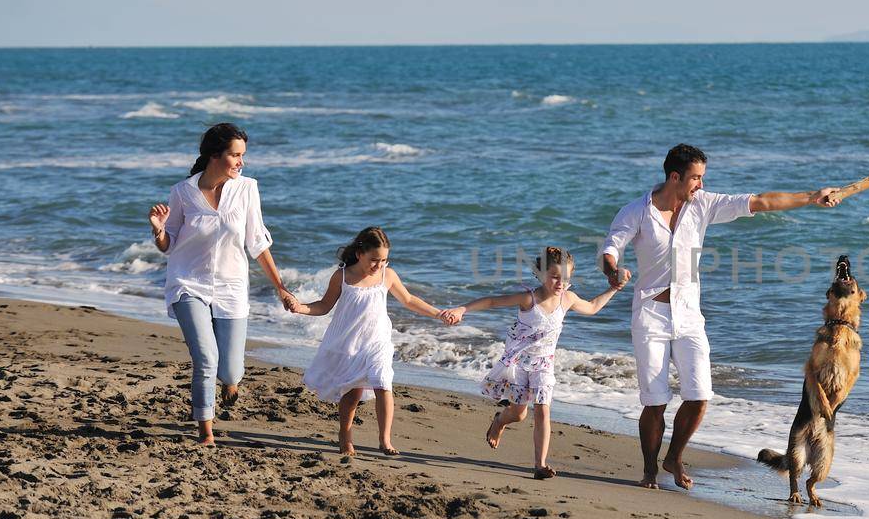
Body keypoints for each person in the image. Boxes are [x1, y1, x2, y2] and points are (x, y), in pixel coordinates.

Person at [601, 144, 842, 490]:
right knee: (654, 401)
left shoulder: (703, 204)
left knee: (699, 395)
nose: (700, 184)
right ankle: (650, 471)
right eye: (696, 178)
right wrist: (612, 271)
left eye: (702, 178)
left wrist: (811, 197)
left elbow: (761, 201)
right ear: (674, 176)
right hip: (651, 313)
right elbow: (612, 246)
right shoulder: (636, 211)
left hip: (689, 314)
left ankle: (674, 456)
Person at [149, 122, 299, 446]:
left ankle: (230, 383)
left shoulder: (247, 189)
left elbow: (257, 244)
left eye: (243, 155)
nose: (241, 162)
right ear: (215, 155)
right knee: (206, 358)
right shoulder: (183, 192)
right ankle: (206, 431)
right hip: (188, 283)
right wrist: (159, 231)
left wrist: (281, 287)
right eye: (235, 155)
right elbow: (169, 245)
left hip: (232, 288)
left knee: (230, 371)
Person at [442, 247, 622, 480]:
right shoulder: (529, 298)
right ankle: (499, 421)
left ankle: (540, 464)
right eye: (555, 276)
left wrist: (613, 288)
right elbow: (492, 302)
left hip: (544, 365)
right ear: (540, 274)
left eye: (566, 278)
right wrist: (462, 309)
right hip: (518, 364)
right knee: (518, 415)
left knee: (543, 412)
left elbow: (593, 307)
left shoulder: (567, 299)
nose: (560, 282)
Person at [291, 227, 448, 458]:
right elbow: (324, 306)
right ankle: (345, 434)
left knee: (383, 382)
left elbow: (409, 300)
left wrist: (438, 314)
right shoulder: (342, 276)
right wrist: (300, 307)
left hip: (378, 341)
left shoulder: (388, 275)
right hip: (350, 342)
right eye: (374, 260)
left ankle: (385, 440)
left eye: (384, 260)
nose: (379, 265)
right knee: (352, 394)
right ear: (360, 254)